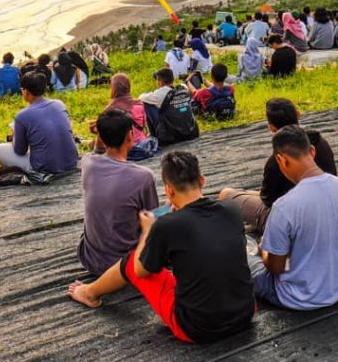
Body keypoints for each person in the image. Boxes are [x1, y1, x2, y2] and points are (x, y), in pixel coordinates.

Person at [67, 151, 255, 343]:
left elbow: (140, 271)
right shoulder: (231, 210)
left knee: (131, 261)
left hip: (197, 328)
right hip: (244, 313)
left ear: (169, 190)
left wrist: (148, 231)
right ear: (202, 180)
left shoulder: (167, 226)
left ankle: (89, 293)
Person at [249, 125, 338, 310]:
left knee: (248, 258)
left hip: (298, 297)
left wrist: (263, 250)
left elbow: (276, 268)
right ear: (312, 150)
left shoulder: (285, 207)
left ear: (280, 159)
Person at [219, 98, 337, 234]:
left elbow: (269, 201)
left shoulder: (277, 162)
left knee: (226, 194)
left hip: (290, 221)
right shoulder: (321, 143)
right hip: (322, 213)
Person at [78, 110, 159, 276]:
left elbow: (98, 152)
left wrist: (101, 135)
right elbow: (152, 219)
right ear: (130, 136)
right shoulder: (143, 176)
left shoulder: (87, 163)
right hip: (126, 265)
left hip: (91, 259)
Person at [0, 72, 79, 174]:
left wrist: (15, 135)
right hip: (72, 161)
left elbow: (20, 150)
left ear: (26, 92)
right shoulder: (59, 104)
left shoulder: (22, 116)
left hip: (45, 167)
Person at [91, 73, 157, 160]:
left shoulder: (110, 110)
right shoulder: (139, 104)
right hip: (144, 144)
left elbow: (108, 135)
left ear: (113, 89)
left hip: (125, 149)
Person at [138, 68, 199, 146]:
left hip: (171, 137)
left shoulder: (161, 94)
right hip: (191, 132)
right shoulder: (183, 88)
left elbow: (141, 97)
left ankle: (154, 137)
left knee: (147, 104)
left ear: (159, 82)